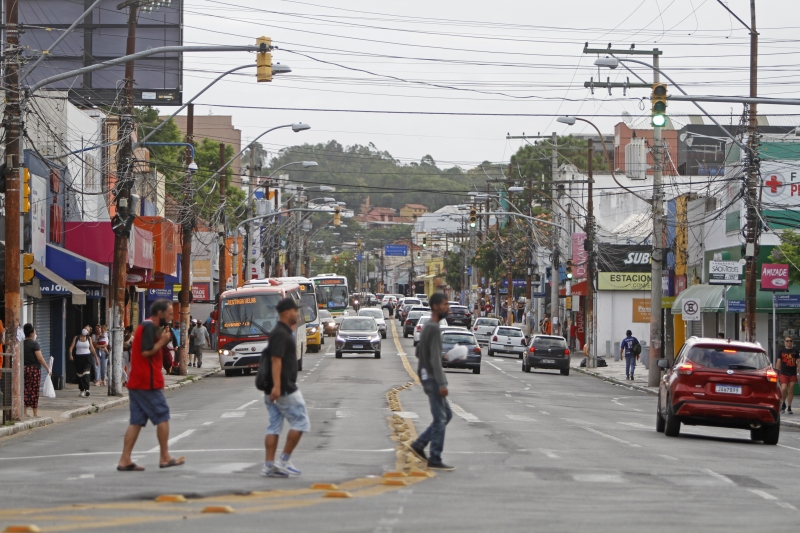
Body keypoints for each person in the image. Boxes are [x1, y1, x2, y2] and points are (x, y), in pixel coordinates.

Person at [117, 299, 185, 472]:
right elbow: (146, 351)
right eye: (169, 314)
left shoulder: (148, 327)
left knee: (136, 421)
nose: (170, 318)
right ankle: (164, 457)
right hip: (146, 383)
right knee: (163, 415)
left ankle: (125, 459)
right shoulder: (148, 326)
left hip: (139, 382)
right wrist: (162, 342)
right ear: (159, 313)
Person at [260, 297, 310, 478]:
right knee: (301, 422)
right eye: (295, 311)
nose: (298, 313)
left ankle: (269, 466)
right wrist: (277, 387)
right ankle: (284, 461)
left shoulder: (281, 331)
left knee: (274, 426)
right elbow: (276, 359)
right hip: (284, 388)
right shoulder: (281, 333)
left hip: (275, 388)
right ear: (287, 313)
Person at [408, 293, 455, 471]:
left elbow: (419, 352)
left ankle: (420, 444)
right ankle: (435, 457)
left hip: (426, 376)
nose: (447, 308)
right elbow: (434, 359)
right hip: (433, 379)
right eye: (445, 304)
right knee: (440, 418)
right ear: (435, 307)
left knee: (446, 414)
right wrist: (442, 384)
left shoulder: (427, 326)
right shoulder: (434, 328)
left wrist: (442, 356)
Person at [23, 324, 50, 418]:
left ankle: (24, 412)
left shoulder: (21, 344)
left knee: (25, 389)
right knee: (34, 390)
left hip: (24, 369)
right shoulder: (35, 344)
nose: (35, 334)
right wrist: (47, 368)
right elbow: (40, 358)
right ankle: (35, 413)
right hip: (34, 370)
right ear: (31, 334)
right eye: (34, 332)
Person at [69, 328, 98, 397]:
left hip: (87, 357)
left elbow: (92, 348)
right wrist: (70, 355)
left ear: (88, 332)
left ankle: (87, 389)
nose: (85, 330)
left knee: (86, 374)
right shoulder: (76, 338)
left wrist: (96, 358)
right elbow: (71, 347)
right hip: (78, 358)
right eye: (85, 328)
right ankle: (82, 390)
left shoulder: (89, 338)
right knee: (80, 375)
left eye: (87, 330)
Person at [778, 336, 799, 415]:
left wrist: (799, 373)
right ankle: (783, 403)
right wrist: (777, 372)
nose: (789, 342)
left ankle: (789, 407)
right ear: (784, 342)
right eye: (787, 341)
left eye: (790, 341)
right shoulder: (781, 351)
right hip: (784, 373)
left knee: (790, 390)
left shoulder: (795, 351)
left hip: (792, 373)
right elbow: (778, 362)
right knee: (783, 389)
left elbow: (798, 362)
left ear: (792, 342)